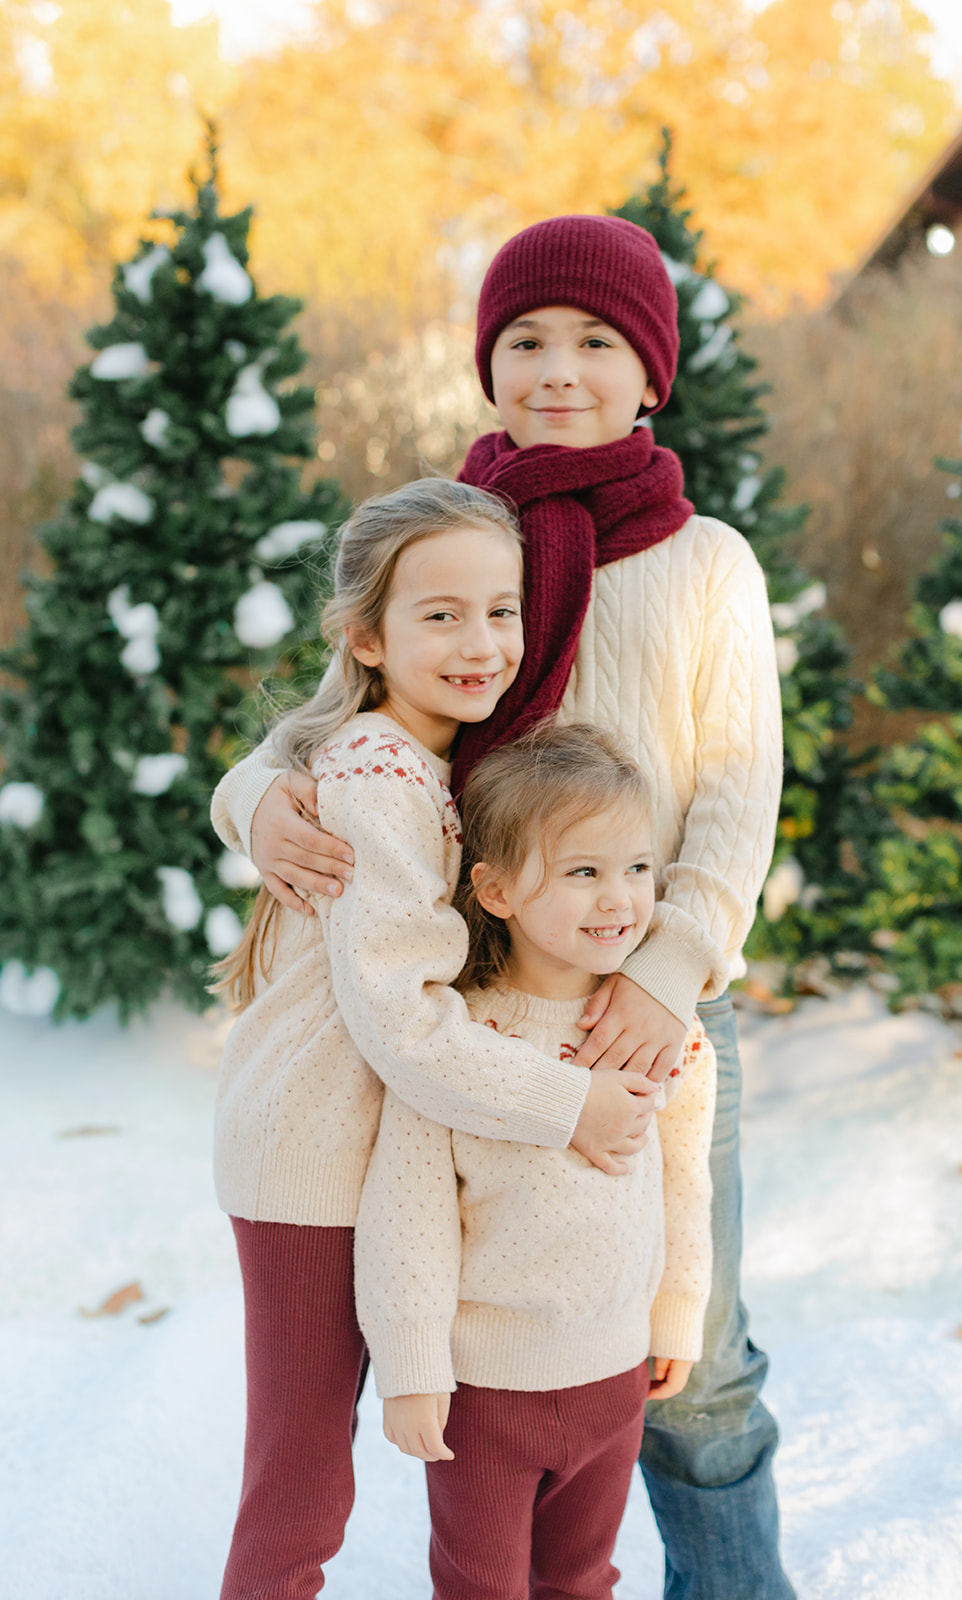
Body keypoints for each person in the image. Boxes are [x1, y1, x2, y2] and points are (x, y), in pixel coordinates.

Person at [213, 216, 793, 1600]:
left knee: (684, 1363)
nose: (556, 369)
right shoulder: (471, 537)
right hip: (476, 1024)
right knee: (492, 1356)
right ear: (487, 363)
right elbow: (346, 707)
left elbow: (731, 793)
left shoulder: (704, 563)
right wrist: (247, 800)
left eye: (595, 342)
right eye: (525, 340)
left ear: (648, 370)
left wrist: (665, 974)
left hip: (639, 1007)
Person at [210, 477, 657, 1600]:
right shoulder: (377, 773)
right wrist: (571, 1104)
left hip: (369, 1148)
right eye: (440, 614)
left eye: (500, 611)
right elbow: (404, 1018)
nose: (481, 642)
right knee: (301, 1486)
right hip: (311, 1161)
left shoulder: (423, 761)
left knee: (308, 1482)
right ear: (366, 634)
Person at [355, 720, 716, 1600]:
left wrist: (675, 1315)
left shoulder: (661, 1031)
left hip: (612, 1379)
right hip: (487, 1393)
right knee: (480, 1587)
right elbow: (407, 1220)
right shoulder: (457, 1040)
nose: (620, 899)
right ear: (498, 890)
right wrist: (410, 1371)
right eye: (583, 872)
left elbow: (682, 1182)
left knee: (582, 1579)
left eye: (636, 869)